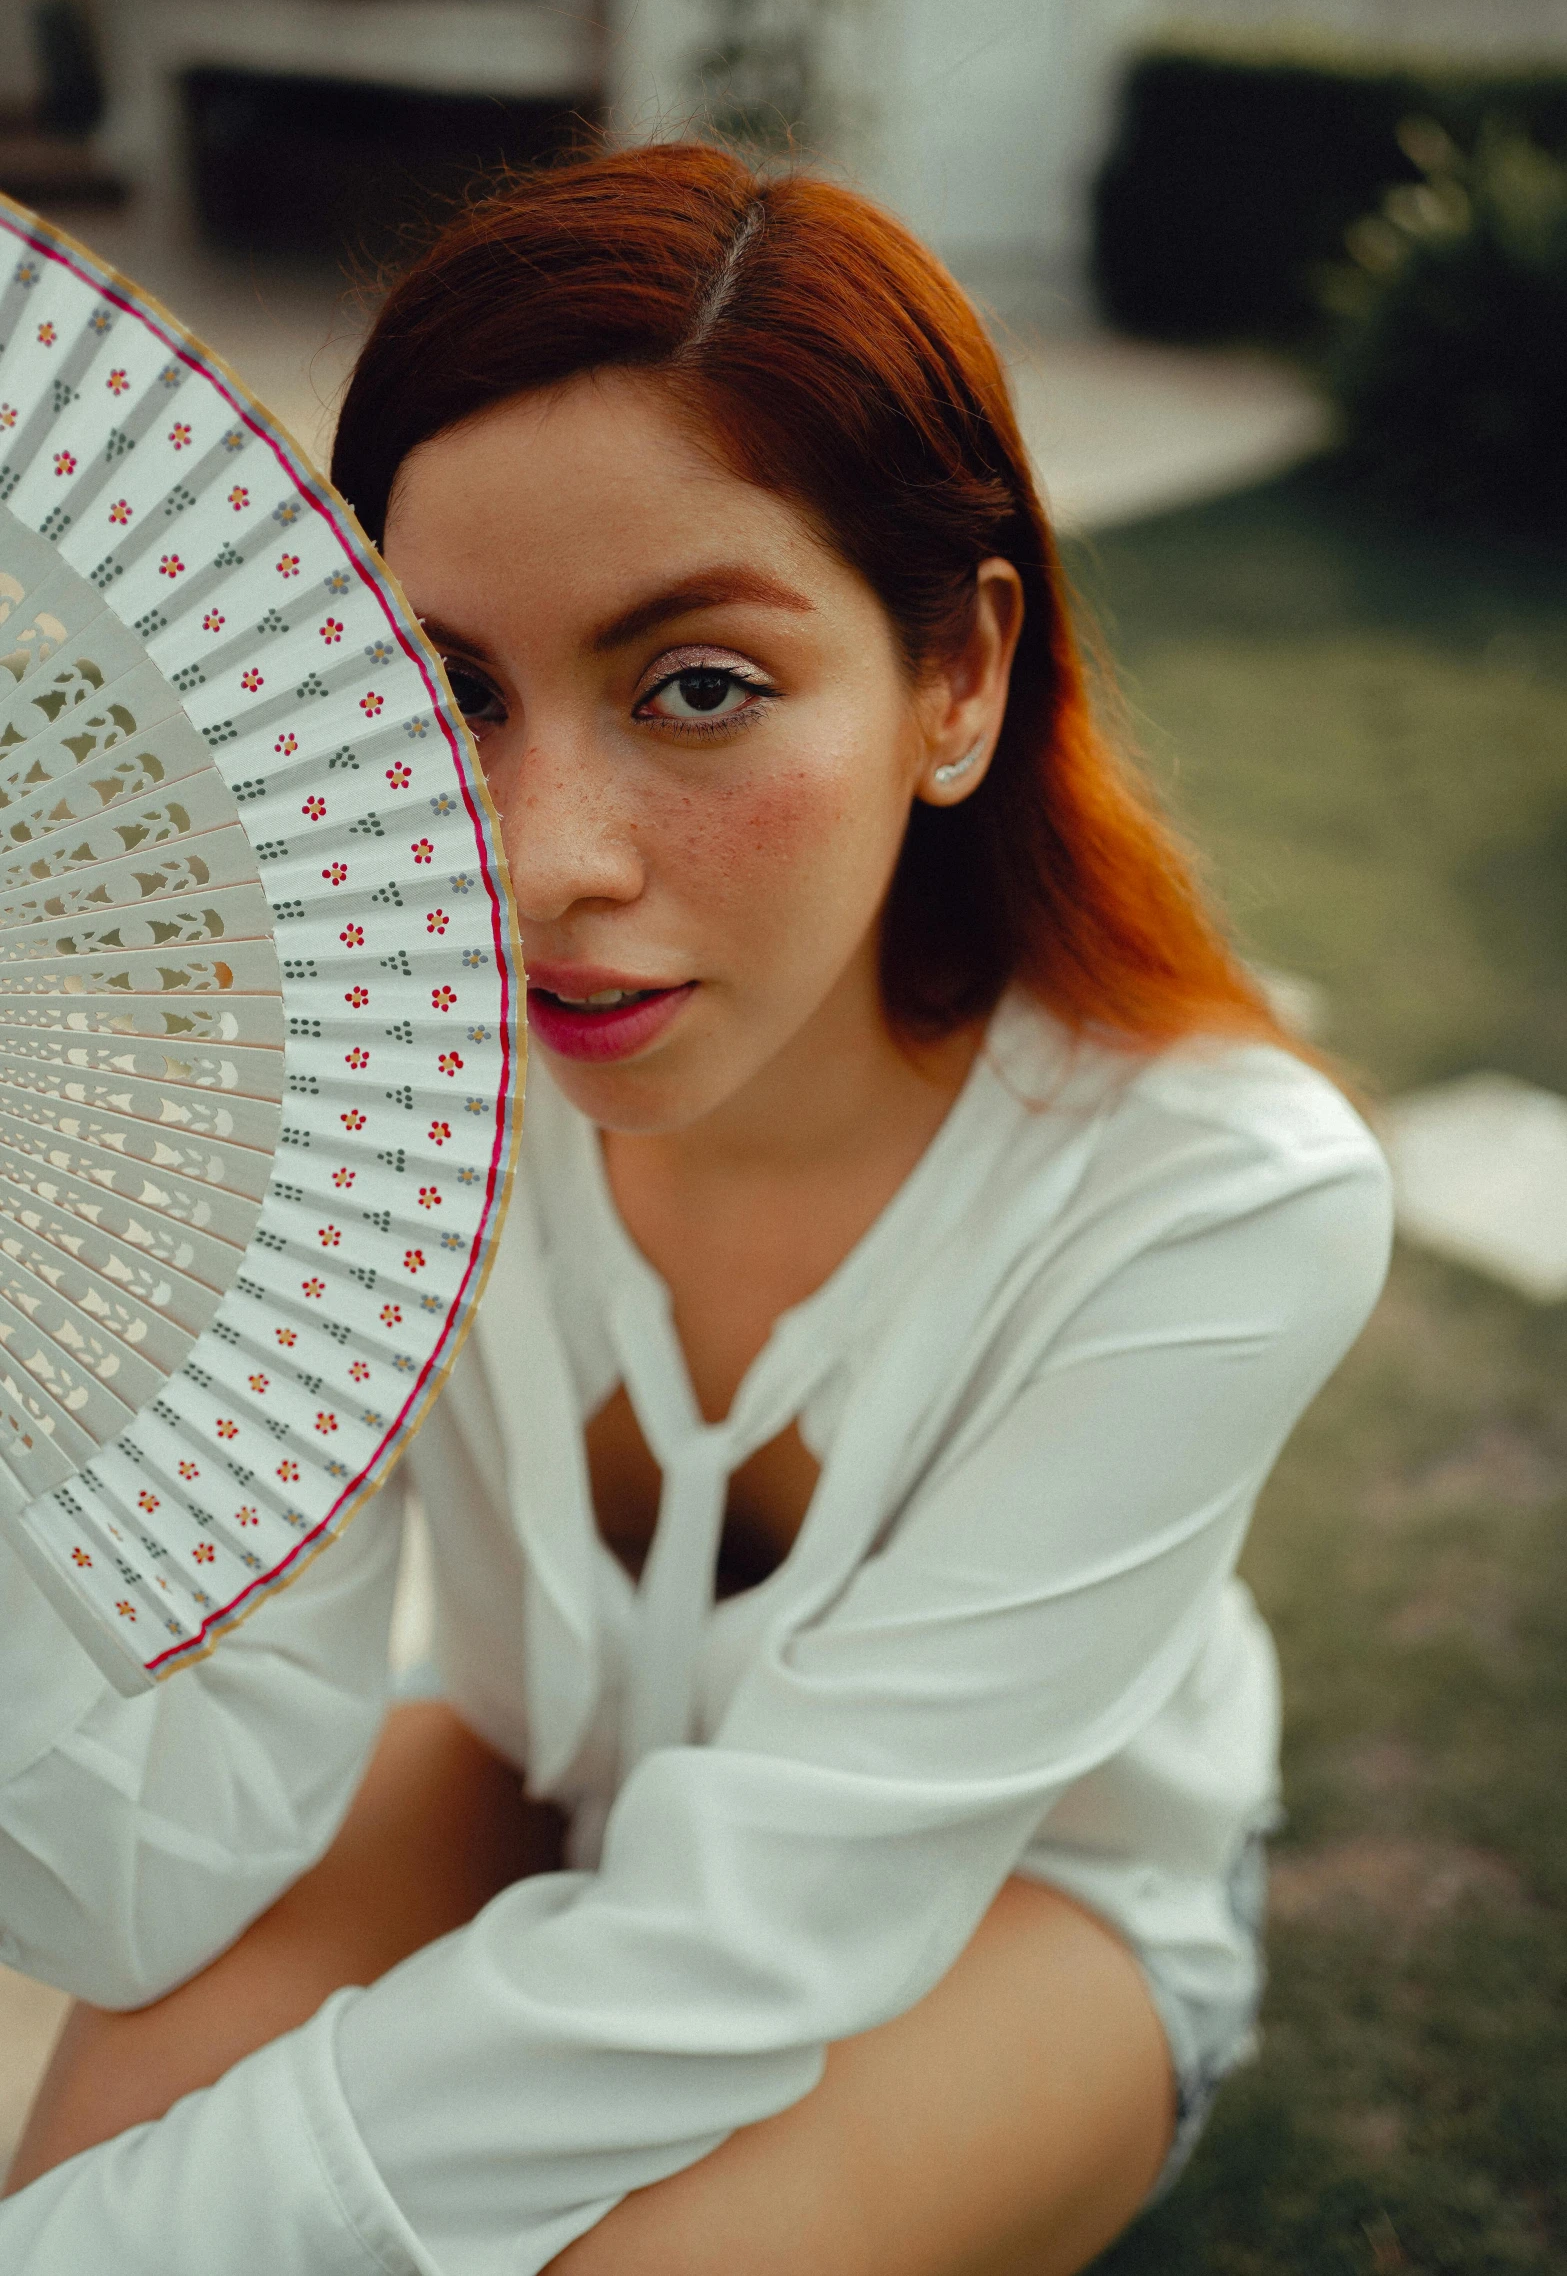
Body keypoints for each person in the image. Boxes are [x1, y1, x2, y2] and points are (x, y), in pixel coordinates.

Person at [0, 143, 1392, 2275]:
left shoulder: (1217, 1202)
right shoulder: (375, 1085)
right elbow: (157, 1859)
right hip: (528, 1765)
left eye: (698, 687)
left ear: (958, 679)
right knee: (96, 2112)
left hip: (1020, 1897)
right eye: (453, 689)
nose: (541, 861)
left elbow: (752, 1939)